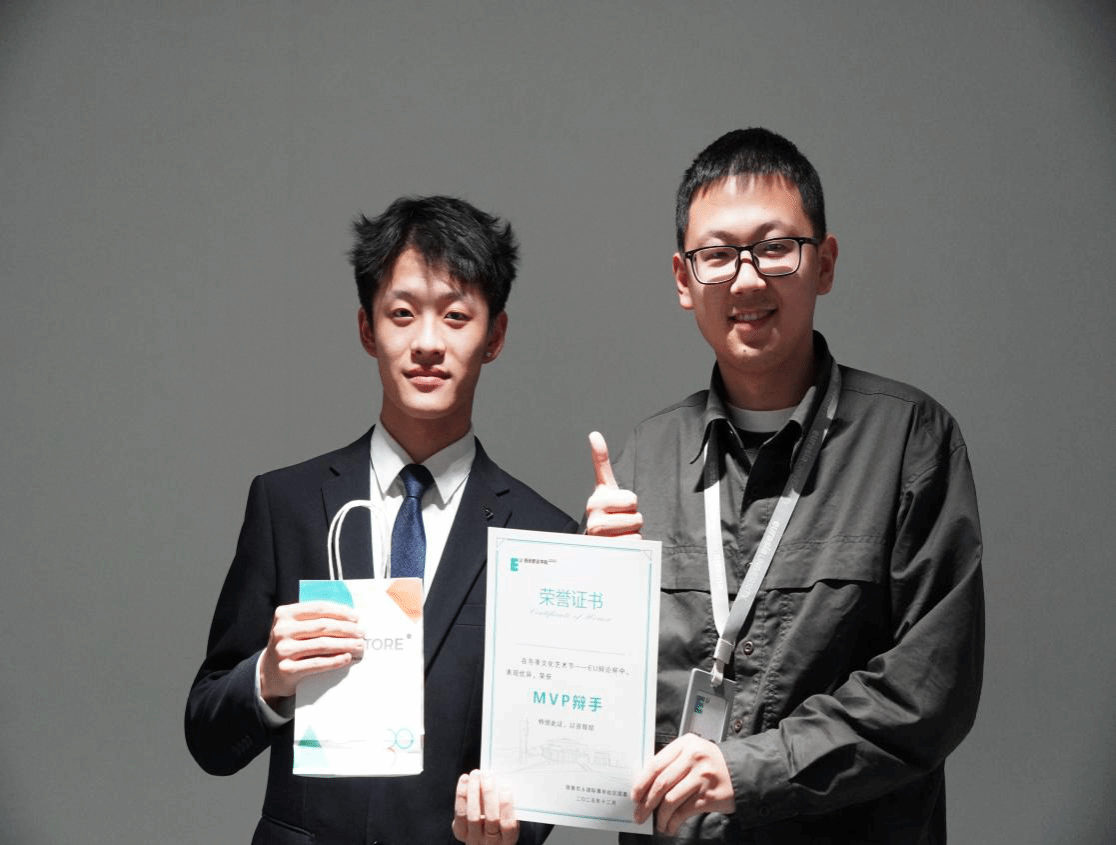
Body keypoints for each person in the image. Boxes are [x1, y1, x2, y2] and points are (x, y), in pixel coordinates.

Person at [584, 128, 984, 843]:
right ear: (683, 279)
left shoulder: (911, 441)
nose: (746, 279)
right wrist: (592, 587)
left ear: (823, 262)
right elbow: (591, 699)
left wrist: (748, 770)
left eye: (775, 248)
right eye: (717, 255)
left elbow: (930, 689)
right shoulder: (641, 461)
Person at [186, 195, 576, 845]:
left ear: (495, 336)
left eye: (456, 315)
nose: (427, 342)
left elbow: (550, 770)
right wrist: (269, 677)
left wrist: (511, 828)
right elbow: (208, 734)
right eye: (402, 313)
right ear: (368, 329)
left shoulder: (544, 538)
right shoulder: (286, 504)